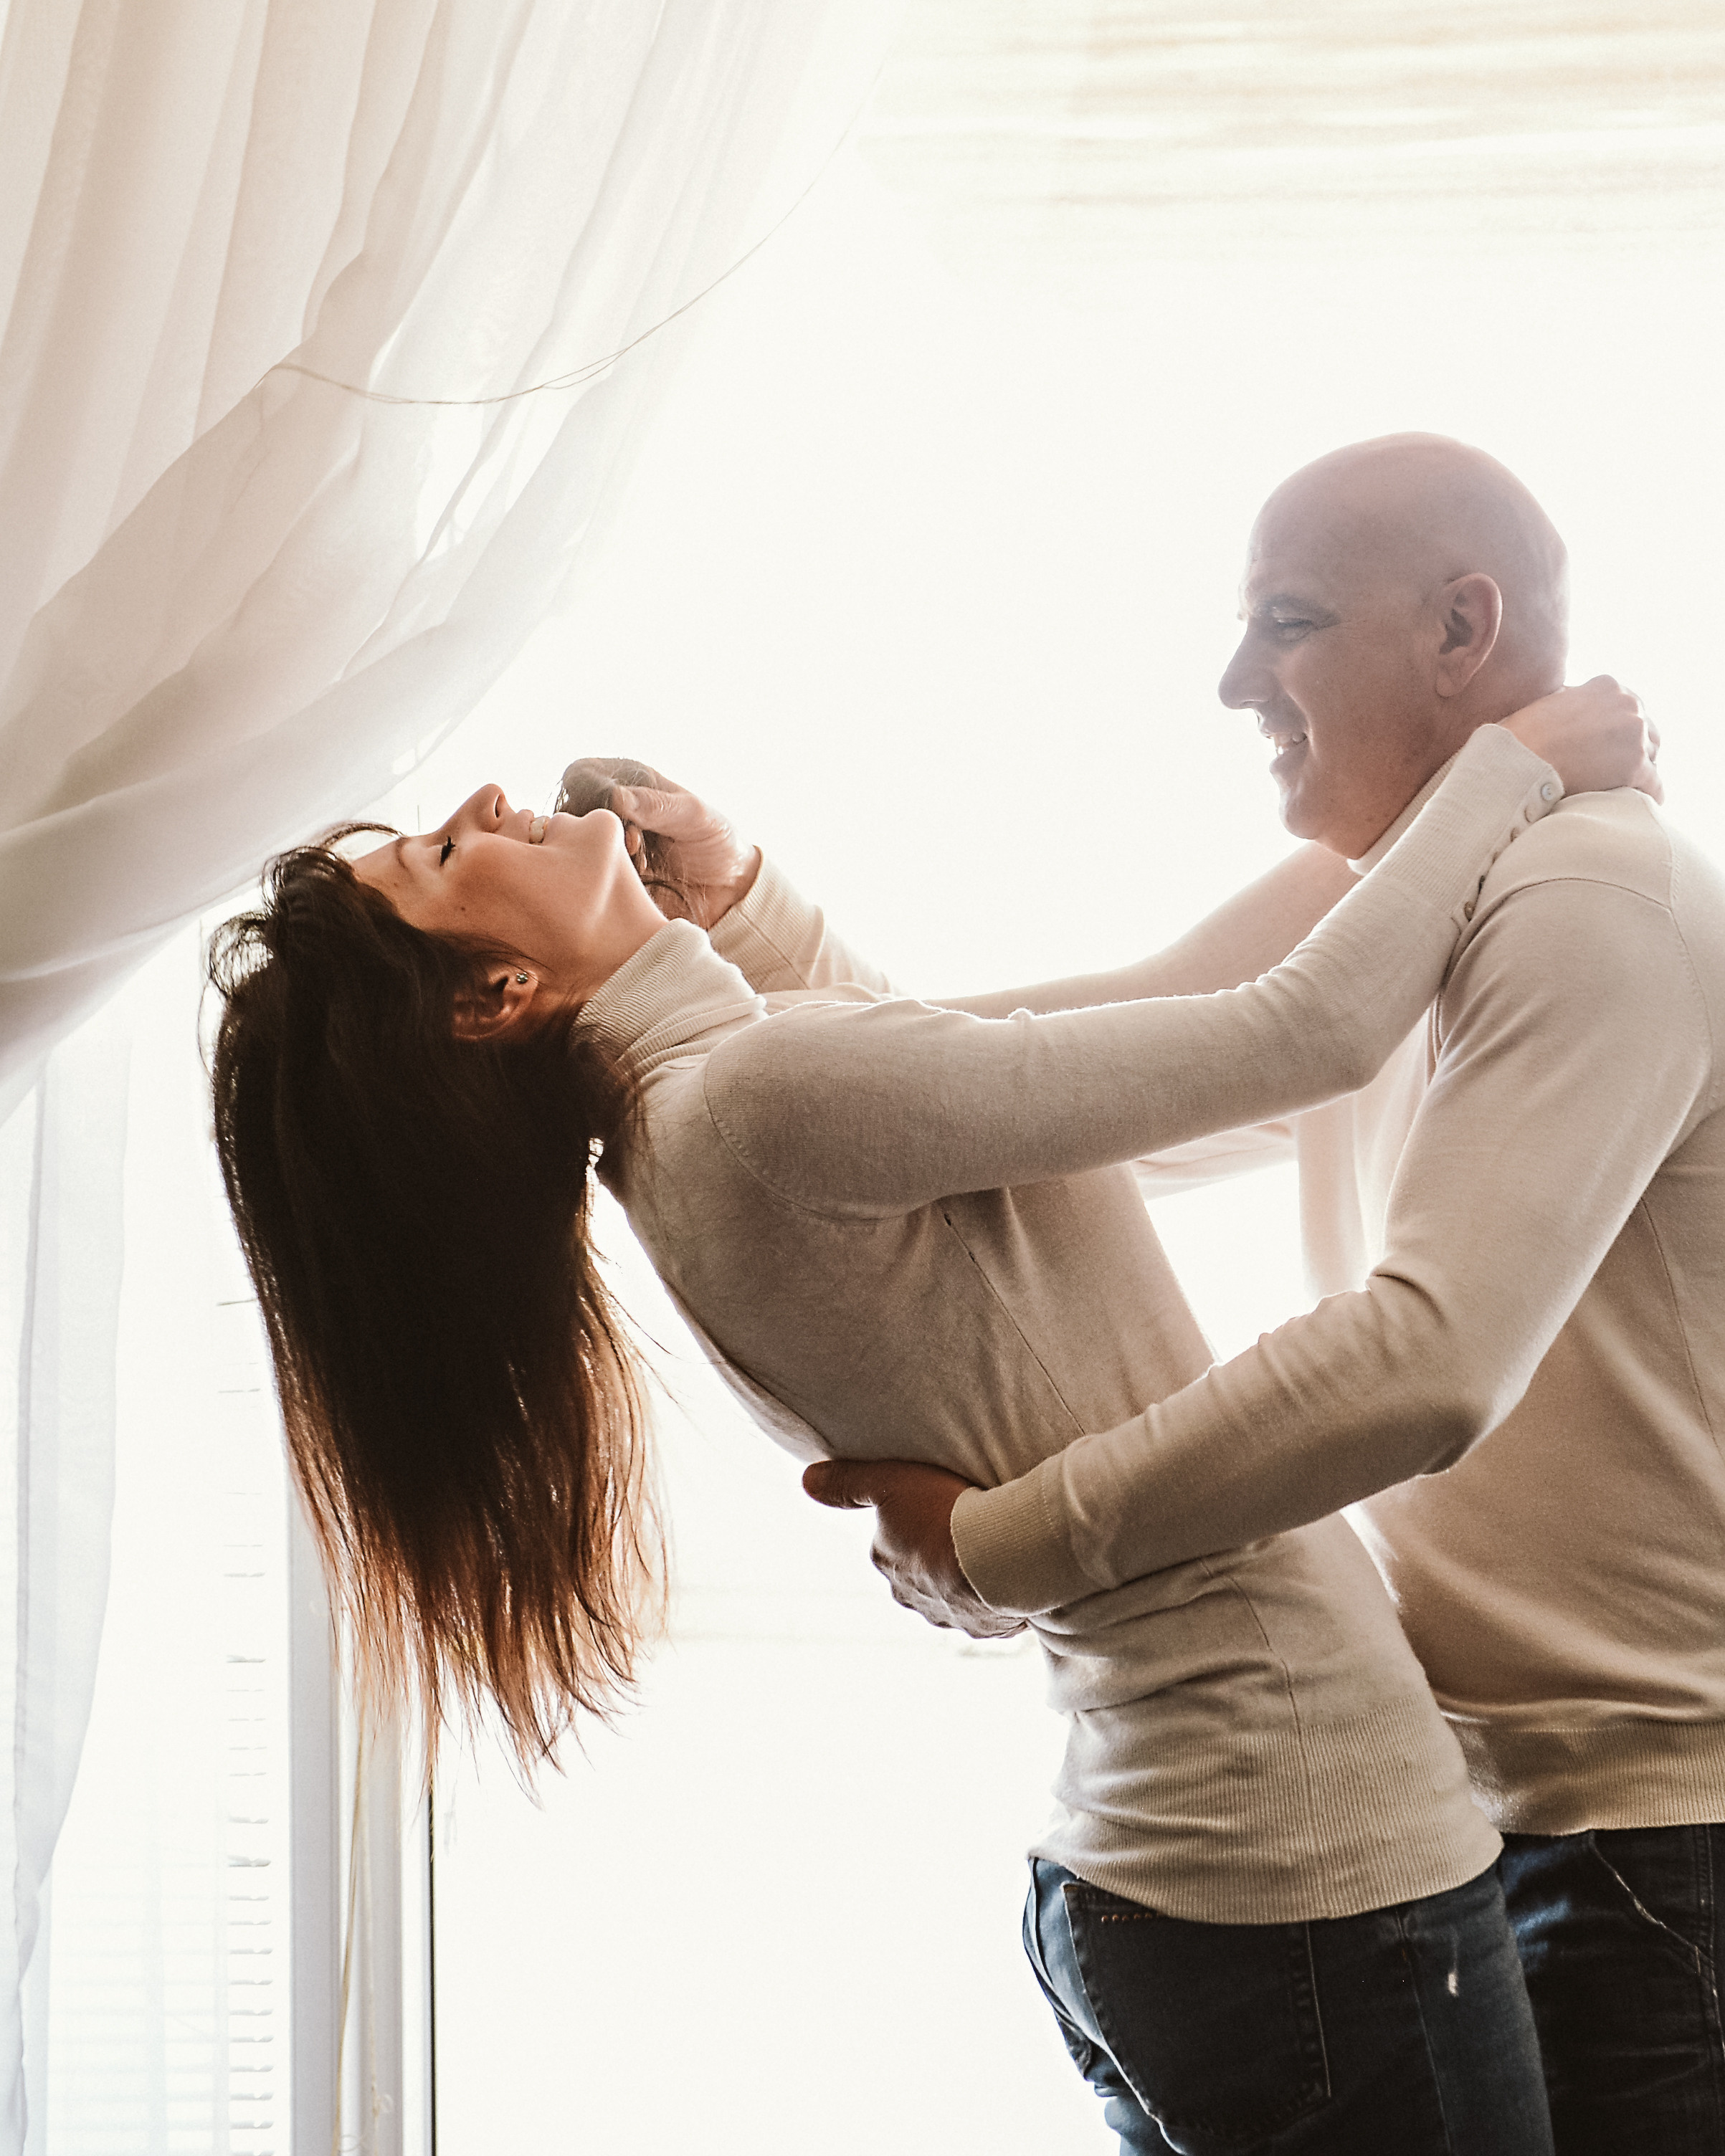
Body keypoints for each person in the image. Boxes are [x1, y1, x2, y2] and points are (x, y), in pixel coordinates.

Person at [208, 679, 1649, 2155]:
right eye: (449, 857)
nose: (490, 806)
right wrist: (1509, 764)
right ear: (496, 995)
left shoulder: (696, 1124)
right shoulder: (754, 1101)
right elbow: (1307, 1032)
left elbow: (978, 1076)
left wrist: (745, 903)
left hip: (1192, 1881)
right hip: (1299, 1873)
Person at [810, 435, 1725, 2156]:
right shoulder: (1407, 894)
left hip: (1648, 1852)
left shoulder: (1587, 900)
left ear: (1466, 627)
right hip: (1485, 1814)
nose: (1237, 684)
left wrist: (1002, 1544)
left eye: (1287, 624)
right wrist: (739, 947)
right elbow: (1056, 1088)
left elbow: (1428, 1364)